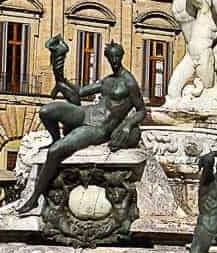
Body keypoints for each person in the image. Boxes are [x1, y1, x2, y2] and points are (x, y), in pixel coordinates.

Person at [16, 41, 146, 215]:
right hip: (85, 113)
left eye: (117, 57)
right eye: (111, 57)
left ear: (121, 56)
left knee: (55, 151)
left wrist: (128, 125)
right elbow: (78, 93)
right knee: (46, 111)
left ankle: (34, 199)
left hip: (97, 127)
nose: (114, 60)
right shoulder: (107, 80)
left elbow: (141, 110)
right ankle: (56, 138)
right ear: (107, 58)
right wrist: (59, 74)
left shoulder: (129, 82)